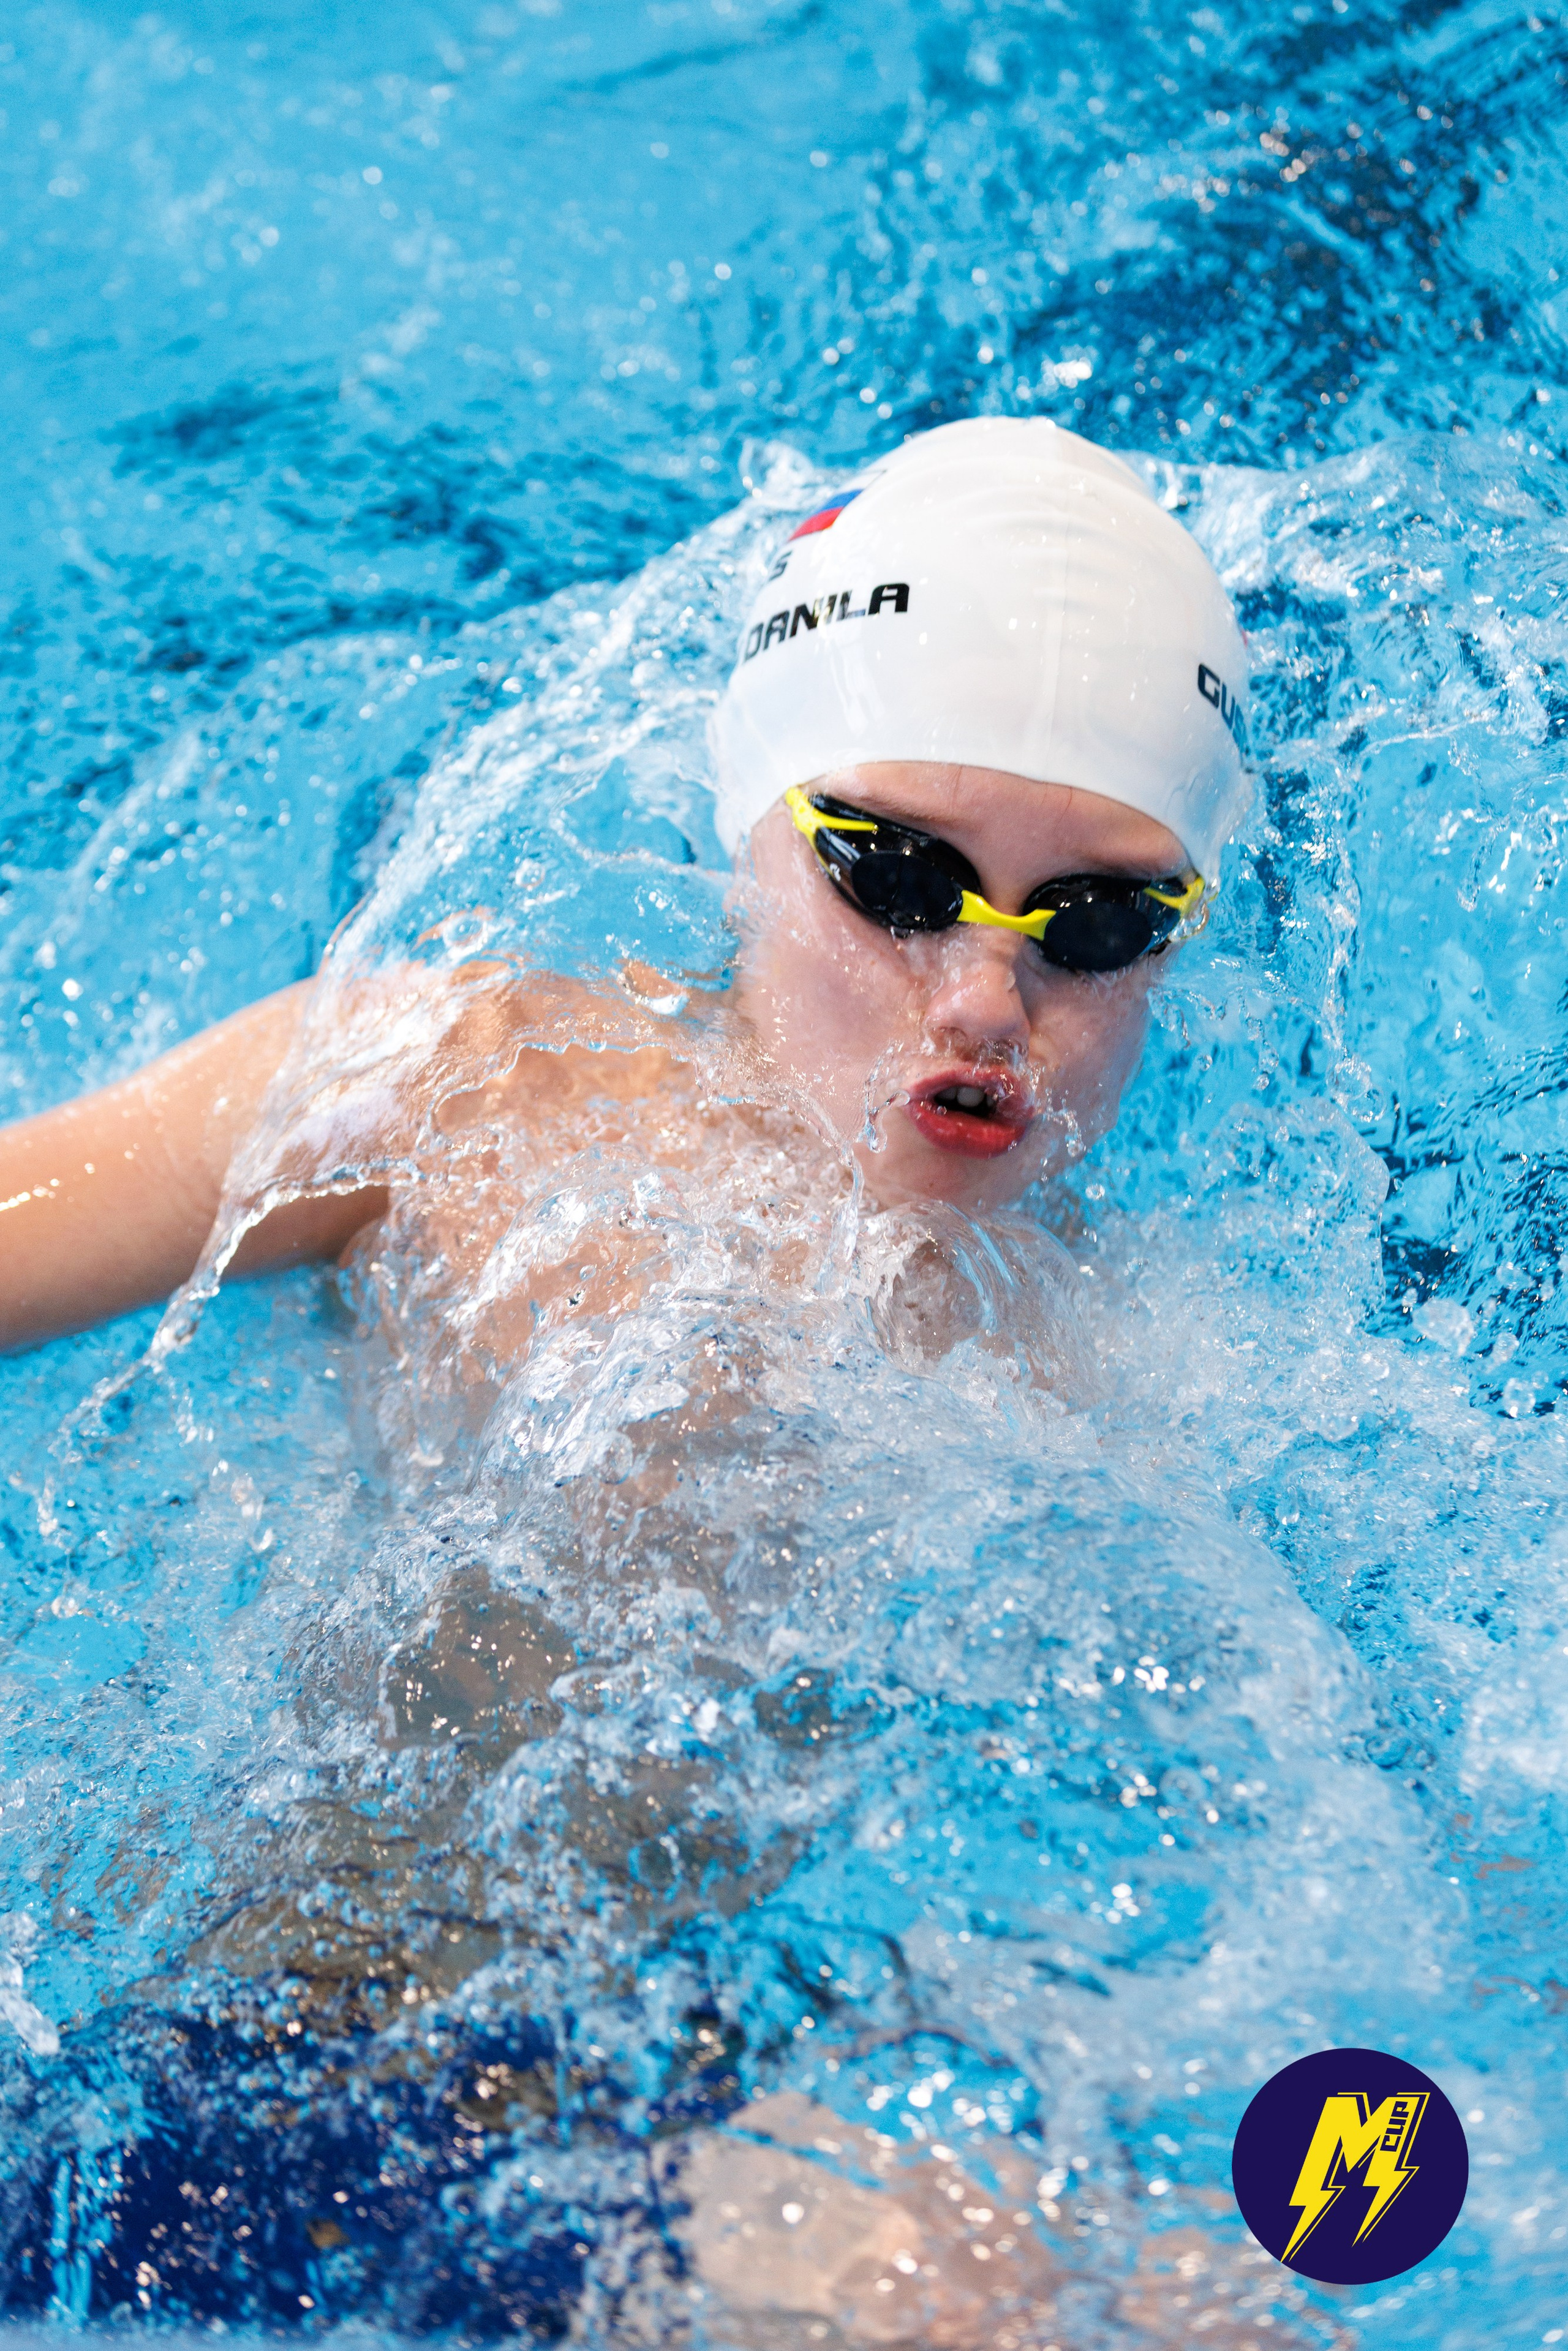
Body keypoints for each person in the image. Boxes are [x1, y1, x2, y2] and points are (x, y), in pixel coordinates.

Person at [0, 418, 1248, 1358]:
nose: (982, 997)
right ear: (746, 830)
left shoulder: (1141, 1356)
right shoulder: (449, 1091)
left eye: (1095, 920)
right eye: (900, 875)